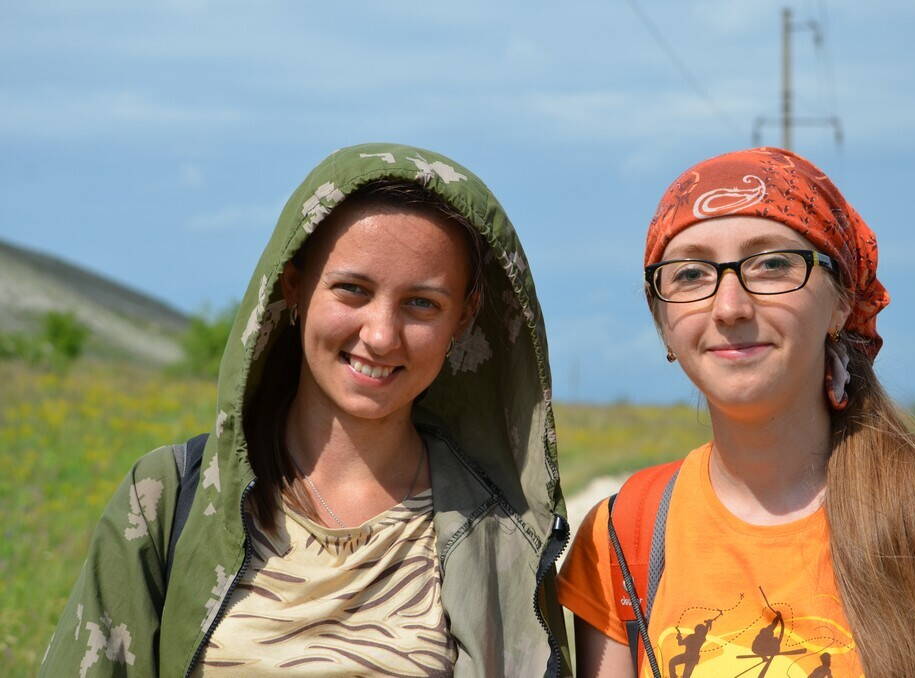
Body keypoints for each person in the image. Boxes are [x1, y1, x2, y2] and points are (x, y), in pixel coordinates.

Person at [40, 143, 571, 677]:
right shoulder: (169, 499)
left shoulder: (500, 533)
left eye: (421, 303)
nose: (381, 336)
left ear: (464, 316)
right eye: (352, 290)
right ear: (292, 285)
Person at [558, 147, 915, 677]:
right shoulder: (623, 535)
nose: (729, 307)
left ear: (841, 301)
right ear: (661, 318)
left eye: (773, 265)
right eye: (690, 274)